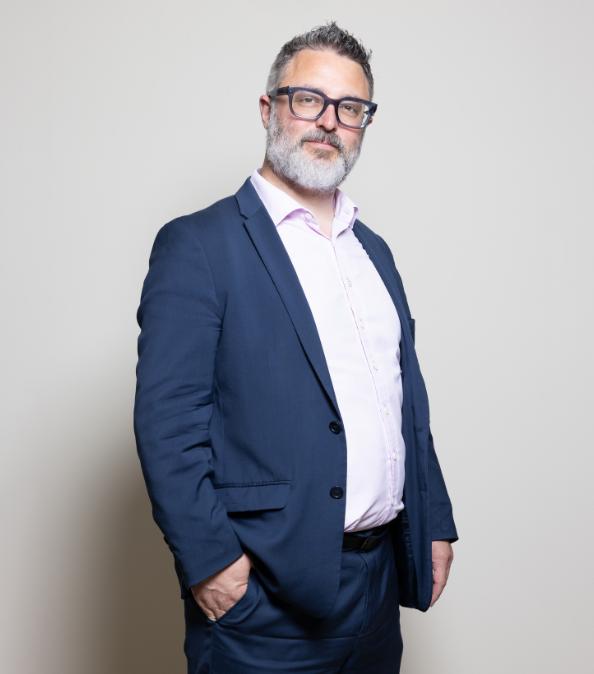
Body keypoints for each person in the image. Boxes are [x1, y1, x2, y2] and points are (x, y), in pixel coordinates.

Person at [134, 21, 459, 674]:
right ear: (268, 108)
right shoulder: (199, 246)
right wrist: (214, 566)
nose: (328, 121)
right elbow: (167, 424)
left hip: (378, 586)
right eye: (308, 99)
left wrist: (435, 521)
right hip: (264, 598)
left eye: (350, 107)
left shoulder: (373, 252)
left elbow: (403, 402)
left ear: (364, 123)